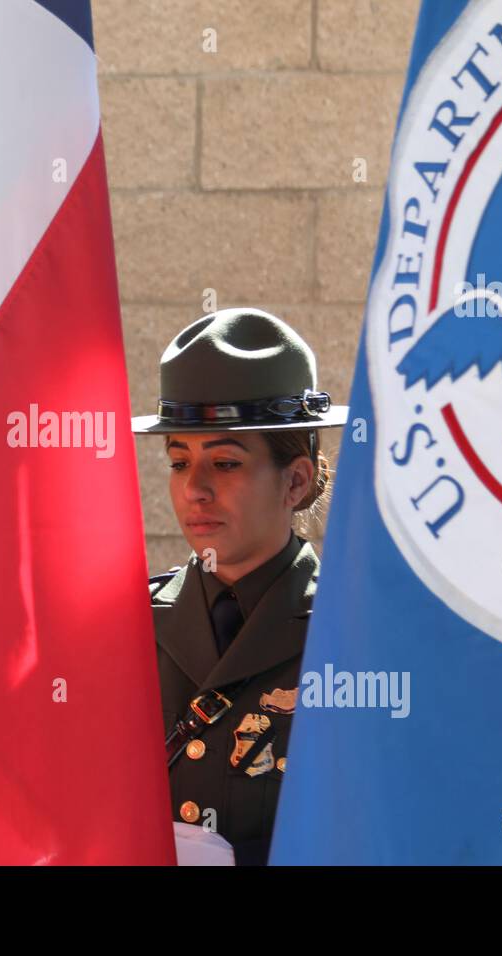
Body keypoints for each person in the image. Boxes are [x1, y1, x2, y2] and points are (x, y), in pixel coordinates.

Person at [132, 307, 347, 866]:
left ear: (295, 480)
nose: (194, 490)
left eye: (224, 462)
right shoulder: (122, 626)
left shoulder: (357, 635)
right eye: (180, 462)